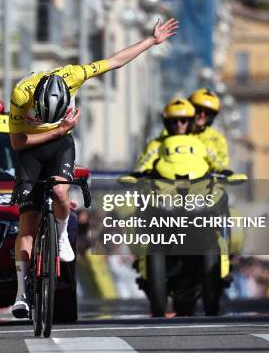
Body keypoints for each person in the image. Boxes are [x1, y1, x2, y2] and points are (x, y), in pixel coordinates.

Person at [9, 17, 179, 318]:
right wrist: (57, 129)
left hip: (61, 142)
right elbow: (18, 143)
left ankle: (60, 234)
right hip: (30, 146)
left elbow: (114, 61)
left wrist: (151, 41)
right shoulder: (21, 94)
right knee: (28, 221)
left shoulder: (73, 74)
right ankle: (22, 293)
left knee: (62, 192)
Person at [133, 98, 226, 175]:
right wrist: (137, 174)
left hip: (196, 189)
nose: (179, 125)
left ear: (190, 122)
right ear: (168, 123)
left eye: (183, 121)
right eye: (174, 121)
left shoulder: (198, 143)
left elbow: (215, 160)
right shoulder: (157, 144)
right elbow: (144, 162)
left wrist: (224, 171)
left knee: (220, 196)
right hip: (163, 190)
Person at [189, 88, 229, 169]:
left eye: (207, 113)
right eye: (198, 110)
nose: (202, 115)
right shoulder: (177, 132)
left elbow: (223, 166)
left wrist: (207, 152)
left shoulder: (217, 139)